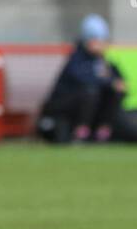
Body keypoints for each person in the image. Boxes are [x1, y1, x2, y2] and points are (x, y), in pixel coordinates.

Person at [37, 14, 126, 143]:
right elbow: (85, 80)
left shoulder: (103, 61)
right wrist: (109, 82)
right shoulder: (77, 59)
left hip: (91, 105)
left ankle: (103, 130)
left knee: (115, 93)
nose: (102, 45)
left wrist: (114, 83)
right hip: (64, 106)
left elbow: (118, 81)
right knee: (90, 91)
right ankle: (81, 130)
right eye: (97, 40)